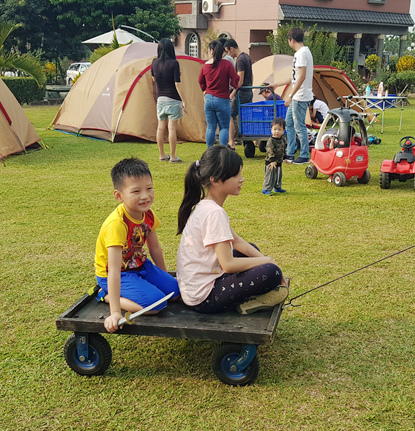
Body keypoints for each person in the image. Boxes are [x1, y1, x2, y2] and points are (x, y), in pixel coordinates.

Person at [176, 146, 288, 314]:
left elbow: (237, 242)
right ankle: (250, 302)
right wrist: (269, 263)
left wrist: (266, 259)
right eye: (236, 175)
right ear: (216, 180)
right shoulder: (214, 213)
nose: (241, 179)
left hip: (197, 286)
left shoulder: (206, 205)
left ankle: (256, 293)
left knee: (252, 250)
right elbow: (228, 265)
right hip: (204, 297)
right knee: (270, 272)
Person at [94, 158, 180, 333]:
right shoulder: (117, 224)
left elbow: (154, 248)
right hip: (117, 273)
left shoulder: (148, 214)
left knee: (175, 292)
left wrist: (163, 277)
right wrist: (116, 312)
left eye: (149, 188)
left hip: (140, 265)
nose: (145, 196)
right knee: (156, 304)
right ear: (119, 196)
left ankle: (146, 287)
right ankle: (106, 295)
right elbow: (114, 270)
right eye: (136, 191)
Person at [198, 40, 239, 148]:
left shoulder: (205, 66)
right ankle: (222, 151)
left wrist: (205, 90)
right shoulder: (227, 64)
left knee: (211, 127)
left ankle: (209, 151)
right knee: (224, 127)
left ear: (211, 51)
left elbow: (200, 81)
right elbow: (235, 79)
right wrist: (234, 85)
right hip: (222, 99)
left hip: (208, 99)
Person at [150, 38, 186, 163]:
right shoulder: (174, 63)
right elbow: (177, 84)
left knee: (160, 128)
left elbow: (154, 79)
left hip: (160, 99)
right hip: (173, 99)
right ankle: (173, 156)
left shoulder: (154, 62)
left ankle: (161, 155)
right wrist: (183, 100)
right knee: (171, 129)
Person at [283, 27, 313, 164]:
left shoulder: (301, 54)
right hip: (297, 95)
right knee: (289, 123)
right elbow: (295, 77)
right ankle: (289, 153)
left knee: (299, 125)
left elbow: (301, 77)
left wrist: (290, 95)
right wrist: (276, 84)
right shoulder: (303, 52)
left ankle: (305, 155)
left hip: (300, 96)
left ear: (292, 40)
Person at [224, 39, 253, 148]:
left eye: (228, 51)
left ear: (231, 48)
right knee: (245, 116)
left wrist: (233, 93)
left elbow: (240, 80)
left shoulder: (240, 60)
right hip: (248, 90)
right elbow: (252, 74)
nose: (228, 54)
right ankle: (250, 139)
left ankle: (231, 142)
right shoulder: (247, 56)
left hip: (241, 92)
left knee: (230, 115)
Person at [262, 117, 287, 195]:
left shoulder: (283, 140)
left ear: (283, 131)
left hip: (279, 162)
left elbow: (284, 149)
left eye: (279, 130)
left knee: (278, 176)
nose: (277, 131)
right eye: (275, 129)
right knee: (270, 176)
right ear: (271, 129)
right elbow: (269, 150)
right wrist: (272, 160)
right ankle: (266, 189)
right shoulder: (271, 140)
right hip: (271, 163)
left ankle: (277, 187)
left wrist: (285, 157)